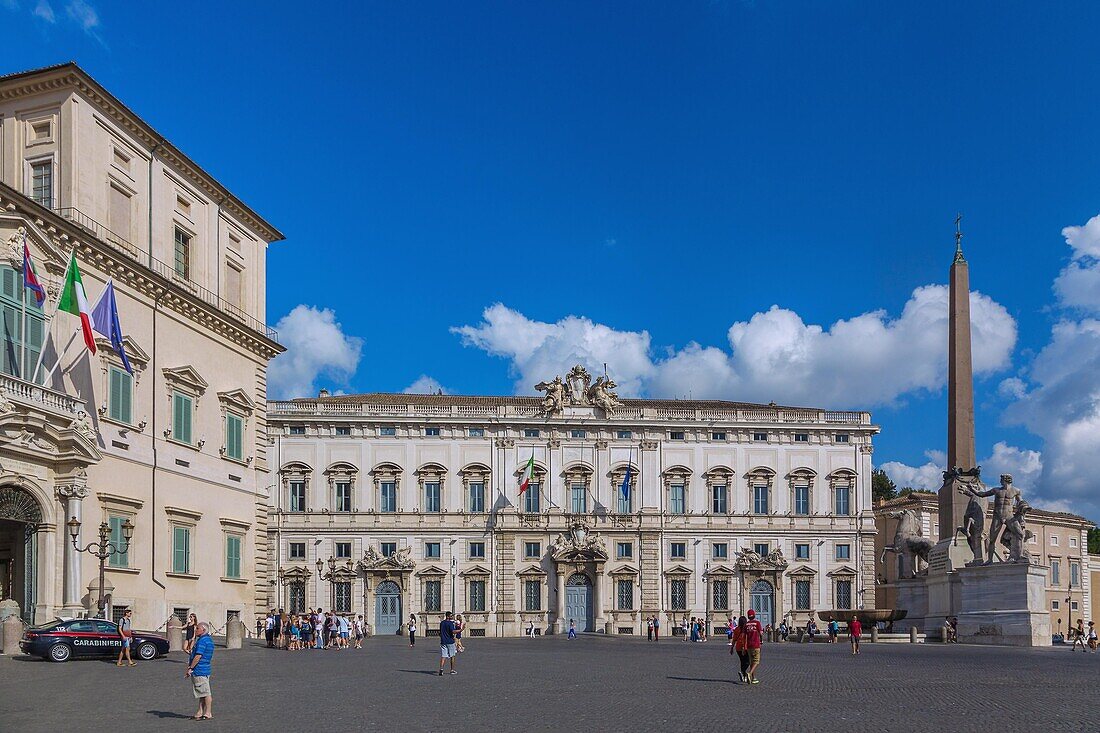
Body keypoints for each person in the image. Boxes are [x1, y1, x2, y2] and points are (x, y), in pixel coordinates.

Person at [185, 621, 215, 720]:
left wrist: (191, 668)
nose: (195, 630)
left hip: (200, 669)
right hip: (205, 668)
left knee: (206, 692)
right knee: (202, 692)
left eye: (197, 628)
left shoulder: (202, 641)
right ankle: (200, 712)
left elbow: (198, 656)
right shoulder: (208, 640)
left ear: (203, 630)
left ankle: (208, 713)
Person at [744, 609, 763, 684]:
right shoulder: (757, 623)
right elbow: (761, 633)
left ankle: (753, 678)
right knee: (756, 661)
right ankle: (749, 673)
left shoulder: (746, 624)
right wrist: (761, 641)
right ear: (754, 615)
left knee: (751, 661)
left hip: (749, 645)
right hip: (756, 644)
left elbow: (744, 635)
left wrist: (744, 646)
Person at [439, 611, 459, 676]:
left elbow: (441, 632)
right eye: (451, 616)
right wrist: (461, 630)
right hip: (450, 641)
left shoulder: (442, 623)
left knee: (443, 656)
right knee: (452, 656)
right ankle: (452, 670)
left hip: (443, 641)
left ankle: (441, 669)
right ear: (447, 616)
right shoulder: (450, 623)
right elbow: (453, 631)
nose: (451, 617)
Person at [730, 615, 750, 683]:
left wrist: (732, 648)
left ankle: (744, 676)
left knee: (742, 661)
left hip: (738, 647)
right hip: (745, 647)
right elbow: (746, 639)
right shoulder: (746, 629)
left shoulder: (736, 629)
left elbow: (734, 639)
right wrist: (744, 647)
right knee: (748, 661)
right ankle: (743, 672)